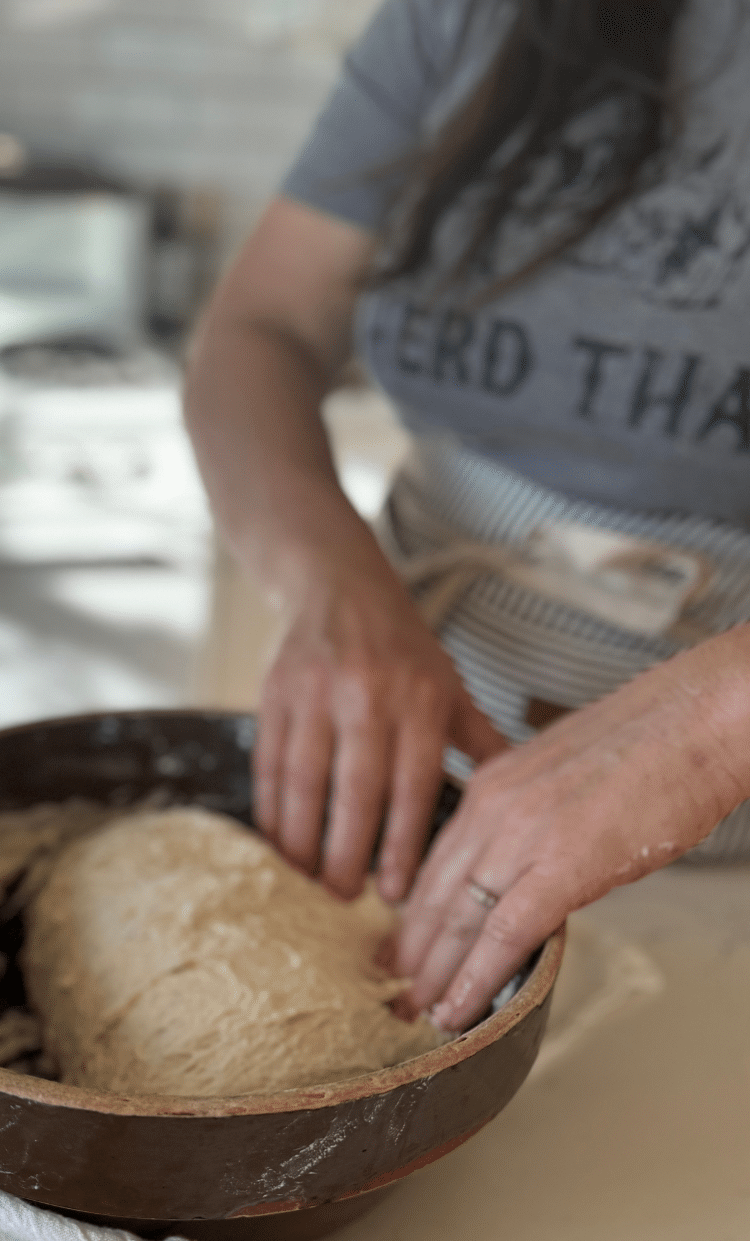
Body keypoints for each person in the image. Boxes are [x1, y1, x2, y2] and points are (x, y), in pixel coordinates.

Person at [184, 0, 750, 1033]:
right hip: (401, 816)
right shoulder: (465, 15)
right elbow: (260, 331)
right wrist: (336, 589)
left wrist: (713, 733)